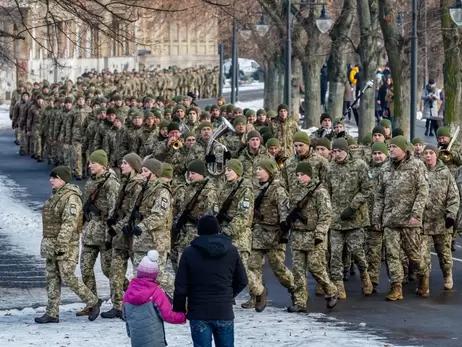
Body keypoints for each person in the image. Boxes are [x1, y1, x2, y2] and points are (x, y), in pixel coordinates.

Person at [35, 166, 102, 324]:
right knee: (52, 278)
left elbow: (69, 223)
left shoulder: (71, 198)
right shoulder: (57, 195)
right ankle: (52, 312)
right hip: (52, 244)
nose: (50, 180)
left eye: (54, 177)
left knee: (68, 277)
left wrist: (61, 244)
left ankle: (93, 301)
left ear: (63, 179)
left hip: (64, 245)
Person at [173, 214, 248, 347]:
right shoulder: (231, 250)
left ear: (199, 230)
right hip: (223, 310)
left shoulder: (189, 252)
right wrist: (228, 295)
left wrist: (179, 309)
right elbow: (242, 280)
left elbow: (180, 286)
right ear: (218, 229)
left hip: (198, 311)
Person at [124, 250, 186, 347]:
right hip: (155, 341)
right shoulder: (156, 293)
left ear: (138, 273)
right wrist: (183, 316)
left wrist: (130, 333)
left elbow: (126, 316)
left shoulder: (128, 293)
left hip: (136, 341)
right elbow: (168, 315)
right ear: (155, 275)